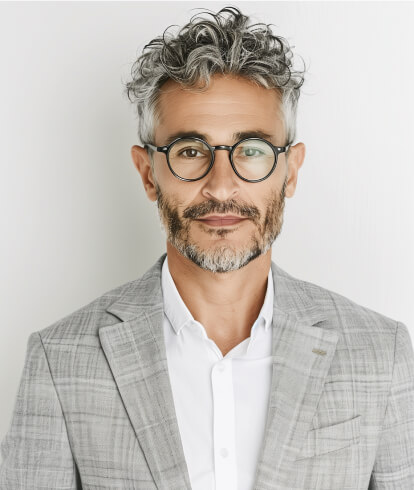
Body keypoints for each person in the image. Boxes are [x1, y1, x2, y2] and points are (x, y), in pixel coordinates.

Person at [1, 6, 413, 490]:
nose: (221, 186)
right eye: (191, 151)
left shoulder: (380, 352)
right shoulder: (60, 359)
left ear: (291, 170)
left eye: (252, 151)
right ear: (148, 173)